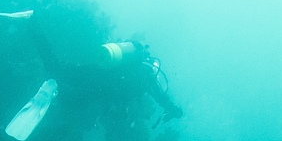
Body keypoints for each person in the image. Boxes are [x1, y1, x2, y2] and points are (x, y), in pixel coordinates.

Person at [29, 19, 183, 125]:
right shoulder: (147, 76)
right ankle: (56, 93)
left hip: (100, 73)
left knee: (59, 69)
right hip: (104, 89)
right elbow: (160, 96)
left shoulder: (130, 63)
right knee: (79, 100)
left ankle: (34, 27)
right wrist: (174, 110)